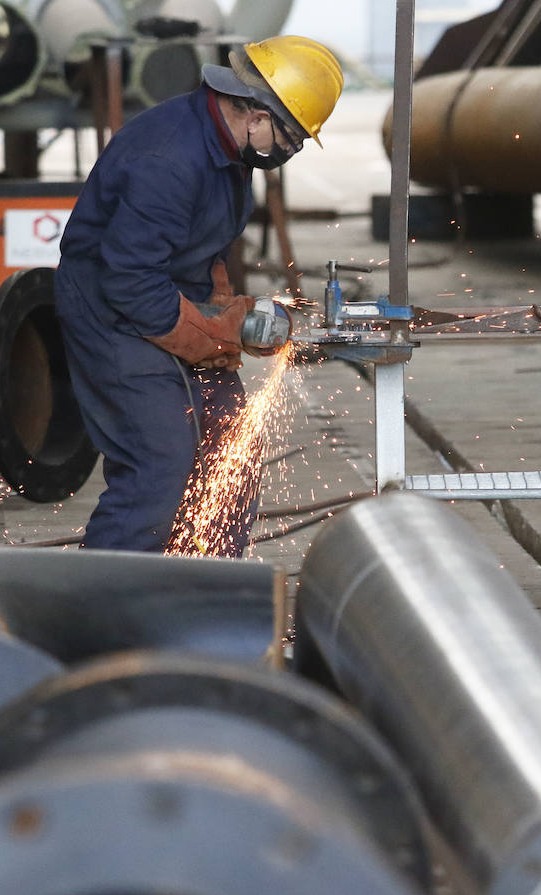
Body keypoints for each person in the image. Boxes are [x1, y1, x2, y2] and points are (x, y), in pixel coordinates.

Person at [54, 36, 343, 555]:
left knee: (232, 450)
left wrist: (228, 312)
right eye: (290, 137)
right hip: (113, 312)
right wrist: (218, 333)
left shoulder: (228, 150)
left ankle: (204, 592)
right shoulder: (168, 159)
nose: (288, 150)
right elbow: (132, 283)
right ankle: (96, 613)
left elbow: (205, 252)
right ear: (256, 112)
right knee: (159, 463)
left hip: (166, 295)